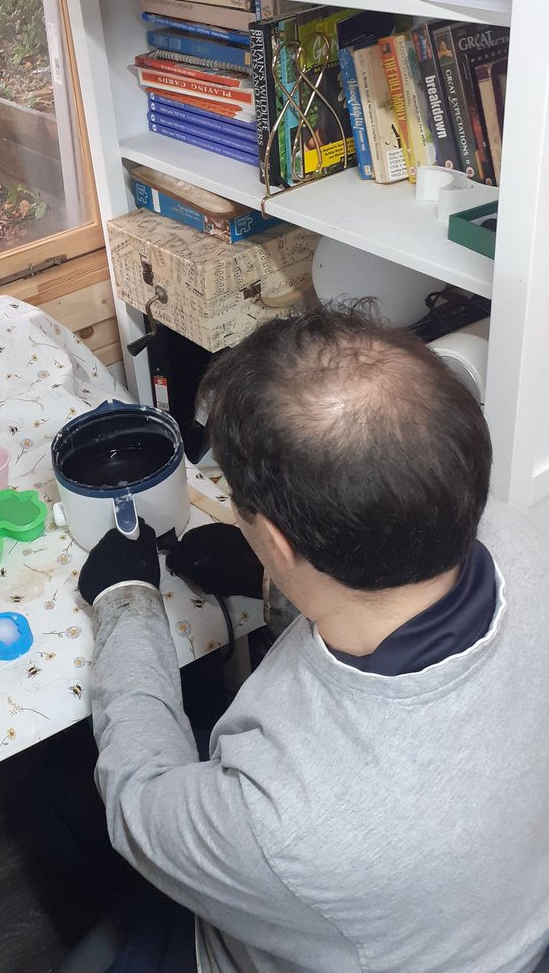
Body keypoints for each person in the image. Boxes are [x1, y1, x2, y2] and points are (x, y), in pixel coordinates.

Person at [77, 305, 549, 973]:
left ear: (274, 537)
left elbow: (138, 799)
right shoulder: (523, 541)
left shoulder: (284, 821)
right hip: (498, 919)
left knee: (59, 802)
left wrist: (127, 603)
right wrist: (278, 582)